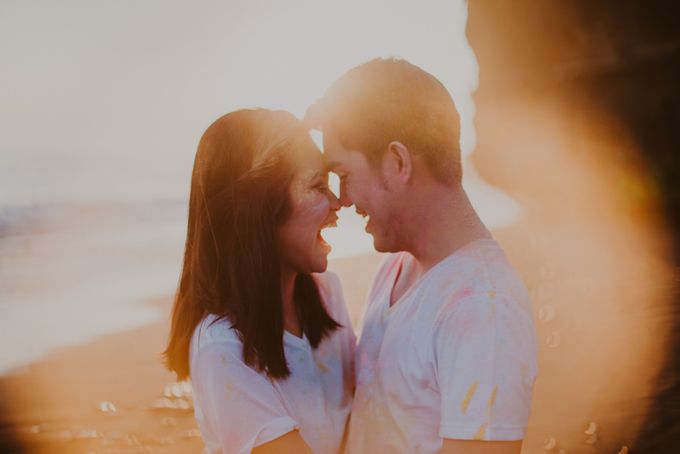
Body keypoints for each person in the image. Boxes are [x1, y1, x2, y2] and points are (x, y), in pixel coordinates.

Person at [305, 58, 538, 453]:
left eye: (343, 175)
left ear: (397, 163)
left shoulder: (483, 308)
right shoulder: (397, 266)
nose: (341, 199)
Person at [164, 109, 355, 454]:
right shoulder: (222, 349)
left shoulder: (328, 294)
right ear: (260, 209)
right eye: (317, 185)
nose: (338, 202)